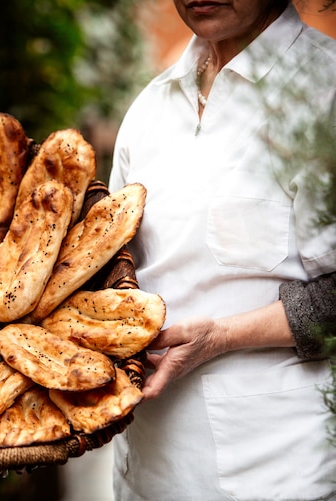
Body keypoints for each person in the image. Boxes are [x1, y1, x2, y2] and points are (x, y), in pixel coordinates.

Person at [107, 1, 336, 499]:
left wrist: (221, 337)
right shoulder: (150, 108)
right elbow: (112, 271)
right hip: (146, 470)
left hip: (281, 471)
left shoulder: (326, 92)